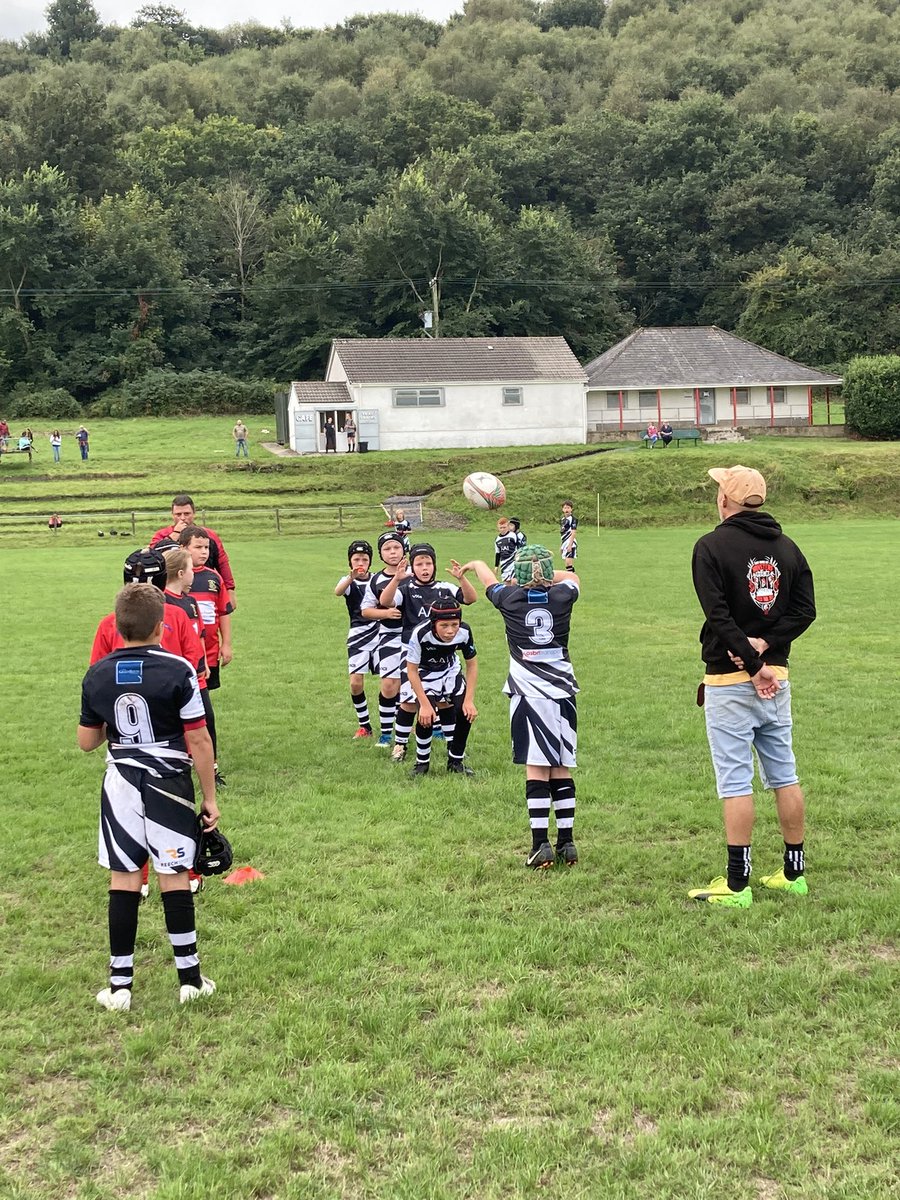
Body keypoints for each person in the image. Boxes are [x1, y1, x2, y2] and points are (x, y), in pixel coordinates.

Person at [78, 583, 219, 1011]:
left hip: (120, 780)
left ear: (117, 628)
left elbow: (87, 741)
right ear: (161, 626)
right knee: (173, 874)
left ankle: (120, 987)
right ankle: (190, 980)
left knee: (124, 878)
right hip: (168, 782)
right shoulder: (177, 670)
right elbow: (198, 739)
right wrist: (209, 798)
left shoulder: (97, 673)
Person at [688, 465, 816, 908]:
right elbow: (804, 612)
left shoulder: (709, 546)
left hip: (730, 680)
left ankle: (737, 884)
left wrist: (751, 658)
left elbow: (718, 615)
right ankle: (793, 871)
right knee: (785, 773)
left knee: (735, 780)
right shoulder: (788, 547)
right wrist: (768, 649)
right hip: (776, 680)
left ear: (725, 500)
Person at [460, 546, 581, 869]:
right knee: (561, 766)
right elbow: (570, 576)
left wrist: (476, 563)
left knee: (536, 767)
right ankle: (567, 843)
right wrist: (542, 572)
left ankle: (540, 843)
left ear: (517, 576)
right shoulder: (564, 596)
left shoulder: (509, 599)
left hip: (529, 692)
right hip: (564, 690)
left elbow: (489, 580)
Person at [378, 542, 477, 763]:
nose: (425, 568)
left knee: (446, 701)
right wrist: (396, 579)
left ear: (434, 565)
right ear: (412, 566)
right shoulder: (406, 589)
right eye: (419, 563)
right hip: (414, 654)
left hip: (443, 653)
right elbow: (384, 602)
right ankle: (400, 744)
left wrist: (461, 578)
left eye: (428, 563)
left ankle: (454, 748)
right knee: (409, 703)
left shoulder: (445, 588)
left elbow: (470, 599)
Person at [179, 526, 234, 789]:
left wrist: (227, 645)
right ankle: (187, 760)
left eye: (206, 547)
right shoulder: (175, 583)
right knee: (194, 712)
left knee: (202, 713)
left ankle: (208, 765)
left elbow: (223, 612)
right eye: (198, 547)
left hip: (208, 656)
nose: (204, 552)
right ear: (183, 549)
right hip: (184, 660)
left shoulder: (213, 577)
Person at [405, 600, 478, 777]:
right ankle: (421, 764)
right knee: (427, 717)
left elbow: (472, 665)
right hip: (424, 673)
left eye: (454, 624)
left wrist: (469, 700)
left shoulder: (465, 632)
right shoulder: (420, 633)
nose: (450, 630)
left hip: (450, 671)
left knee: (465, 713)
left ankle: (455, 761)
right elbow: (412, 671)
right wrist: (424, 704)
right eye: (444, 625)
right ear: (433, 623)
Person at [360, 532, 408, 747]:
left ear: (403, 550)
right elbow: (366, 611)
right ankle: (386, 733)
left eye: (396, 548)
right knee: (389, 685)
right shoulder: (376, 580)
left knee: (420, 684)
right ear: (380, 553)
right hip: (389, 637)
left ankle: (432, 728)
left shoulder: (415, 574)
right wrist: (385, 614)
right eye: (387, 548)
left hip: (415, 637)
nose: (392, 552)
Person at [150, 495, 236, 609]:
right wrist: (175, 533)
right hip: (173, 591)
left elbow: (222, 562)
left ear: (194, 513)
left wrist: (230, 590)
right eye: (178, 514)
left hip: (204, 587)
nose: (182, 518)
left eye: (186, 514)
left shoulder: (208, 535)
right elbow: (152, 556)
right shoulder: (162, 535)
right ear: (172, 515)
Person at [334, 540, 380, 738]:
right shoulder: (348, 581)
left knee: (391, 682)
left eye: (364, 559)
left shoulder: (378, 580)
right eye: (356, 559)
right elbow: (337, 591)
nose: (360, 562)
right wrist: (351, 577)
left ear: (370, 562)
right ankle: (365, 726)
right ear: (350, 562)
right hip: (358, 635)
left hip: (381, 633)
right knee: (355, 683)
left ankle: (400, 722)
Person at [494, 516, 518, 582]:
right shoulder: (497, 539)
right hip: (504, 564)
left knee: (514, 581)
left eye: (504, 527)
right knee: (507, 583)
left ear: (507, 527)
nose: (502, 529)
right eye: (500, 528)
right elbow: (497, 553)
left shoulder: (513, 535)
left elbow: (519, 547)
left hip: (513, 562)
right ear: (498, 528)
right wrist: (496, 566)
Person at [560, 501, 578, 571]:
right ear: (562, 509)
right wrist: (561, 546)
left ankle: (572, 579)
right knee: (567, 564)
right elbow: (562, 533)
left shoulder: (573, 519)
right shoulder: (562, 520)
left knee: (568, 563)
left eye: (568, 508)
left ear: (571, 509)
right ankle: (571, 578)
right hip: (564, 543)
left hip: (570, 542)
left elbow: (573, 532)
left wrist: (570, 545)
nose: (566, 510)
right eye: (565, 508)